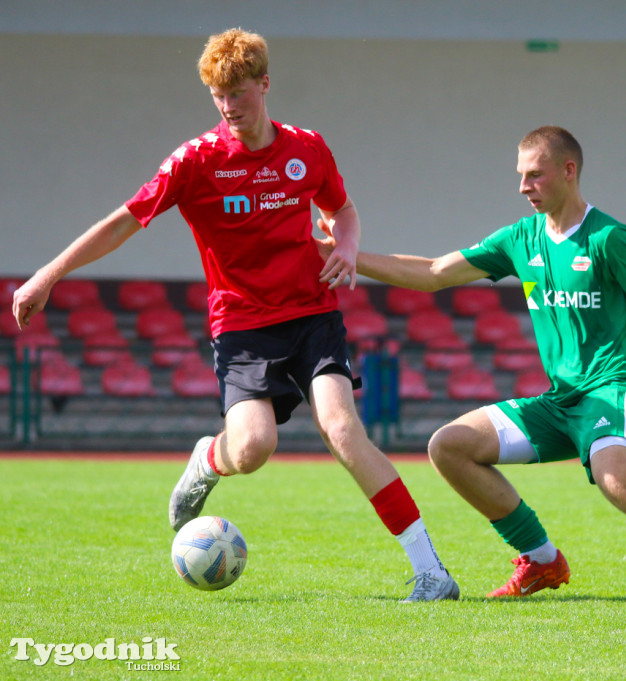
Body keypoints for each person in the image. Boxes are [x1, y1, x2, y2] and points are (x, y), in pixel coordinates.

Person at [11, 29, 458, 602]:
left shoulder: (306, 148)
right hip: (242, 327)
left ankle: (430, 572)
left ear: (265, 85)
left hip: (313, 313)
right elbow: (123, 221)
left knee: (344, 430)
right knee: (252, 450)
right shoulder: (195, 161)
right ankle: (208, 458)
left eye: (239, 94)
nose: (229, 108)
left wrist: (347, 246)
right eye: (219, 97)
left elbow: (341, 210)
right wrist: (49, 274)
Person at [321, 126, 626, 604]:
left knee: (619, 484)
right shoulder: (519, 238)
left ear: (568, 172)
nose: (523, 186)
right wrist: (348, 255)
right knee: (448, 446)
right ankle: (542, 560)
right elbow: (433, 274)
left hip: (611, 390)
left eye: (534, 175)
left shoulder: (610, 238)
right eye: (520, 176)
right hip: (559, 401)